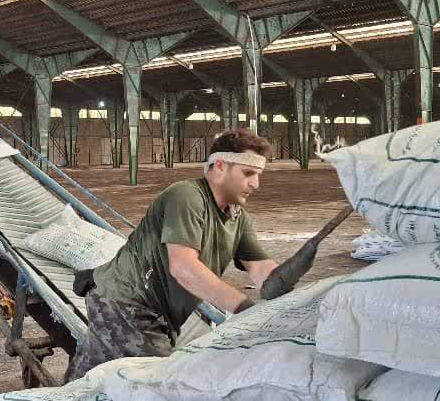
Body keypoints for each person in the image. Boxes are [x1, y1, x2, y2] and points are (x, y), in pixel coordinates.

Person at [65, 128, 280, 381]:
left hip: (156, 313)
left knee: (88, 375)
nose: (256, 184)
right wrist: (244, 309)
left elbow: (260, 267)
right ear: (220, 166)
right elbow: (183, 267)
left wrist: (288, 291)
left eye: (258, 175)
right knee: (161, 383)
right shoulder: (187, 196)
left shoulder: (237, 218)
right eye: (248, 173)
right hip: (127, 302)